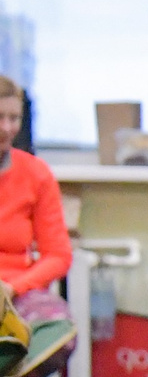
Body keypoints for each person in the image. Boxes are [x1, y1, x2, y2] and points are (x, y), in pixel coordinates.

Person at [0, 77, 72, 325]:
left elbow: (58, 255)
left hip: (18, 292)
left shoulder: (36, 173)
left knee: (56, 327)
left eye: (14, 118)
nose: (7, 128)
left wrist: (13, 288)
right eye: (0, 117)